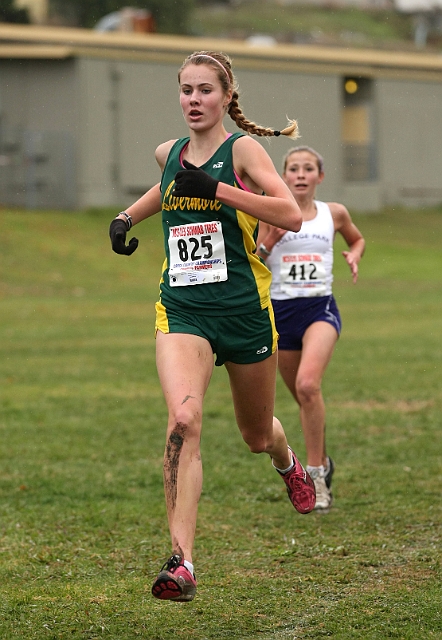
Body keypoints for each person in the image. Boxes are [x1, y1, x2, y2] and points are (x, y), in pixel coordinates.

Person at [109, 51, 316, 603]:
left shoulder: (242, 150)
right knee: (183, 418)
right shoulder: (168, 152)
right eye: (185, 90)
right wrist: (128, 216)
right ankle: (182, 563)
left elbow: (290, 214)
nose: (193, 100)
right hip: (182, 310)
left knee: (255, 434)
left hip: (244, 310)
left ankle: (286, 459)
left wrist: (219, 190)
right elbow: (170, 186)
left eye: (205, 90)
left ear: (226, 96)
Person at [256, 146, 365, 512]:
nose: (300, 174)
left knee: (307, 384)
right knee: (303, 396)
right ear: (284, 177)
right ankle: (321, 464)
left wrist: (354, 254)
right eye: (293, 169)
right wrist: (269, 240)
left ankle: (317, 473)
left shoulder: (333, 213)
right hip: (281, 312)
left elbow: (357, 237)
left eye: (308, 169)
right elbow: (255, 258)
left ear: (320, 176)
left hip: (320, 308)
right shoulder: (271, 211)